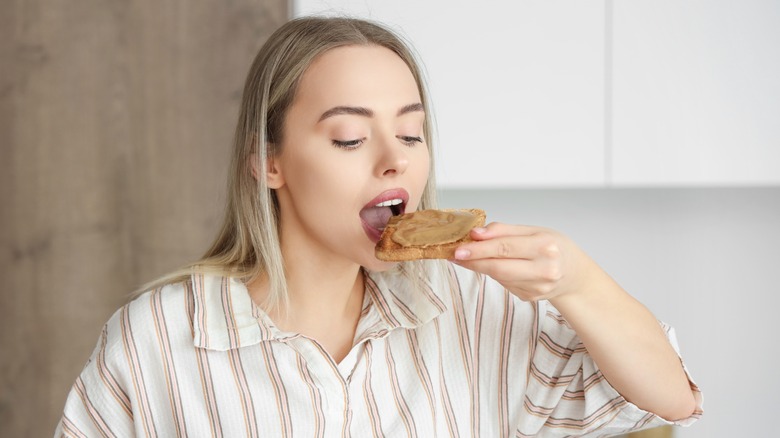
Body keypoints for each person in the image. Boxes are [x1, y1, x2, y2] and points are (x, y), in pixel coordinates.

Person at [56, 16, 702, 437]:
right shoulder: (161, 340)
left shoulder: (472, 311)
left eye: (411, 132)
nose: (395, 158)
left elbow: (669, 400)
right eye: (349, 136)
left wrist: (578, 282)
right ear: (269, 162)